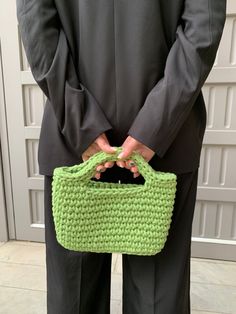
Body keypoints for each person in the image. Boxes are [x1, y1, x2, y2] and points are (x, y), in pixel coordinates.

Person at [16, 1, 226, 313]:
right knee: (158, 289)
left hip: (75, 139)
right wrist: (156, 126)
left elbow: (37, 28)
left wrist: (81, 123)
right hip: (167, 138)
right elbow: (202, 30)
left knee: (73, 290)